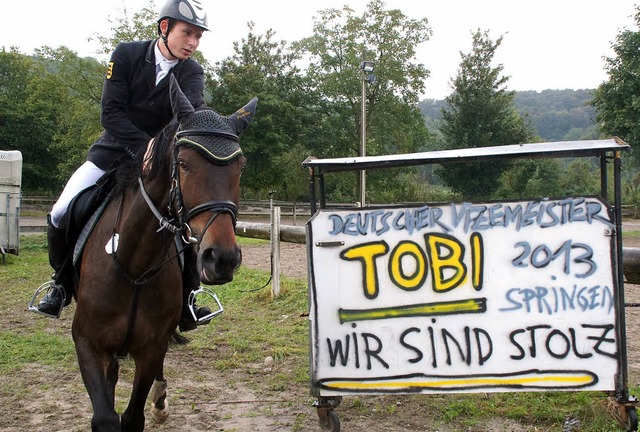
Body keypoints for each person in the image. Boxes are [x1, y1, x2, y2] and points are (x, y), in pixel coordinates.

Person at [35, 0, 213, 331]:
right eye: (187, 33)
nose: (193, 42)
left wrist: (162, 150)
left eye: (198, 37)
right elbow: (110, 112)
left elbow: (187, 116)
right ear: (165, 28)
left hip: (160, 165)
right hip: (112, 152)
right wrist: (144, 144)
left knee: (187, 218)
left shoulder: (192, 72)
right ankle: (59, 284)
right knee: (61, 211)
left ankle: (189, 297)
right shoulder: (127, 55)